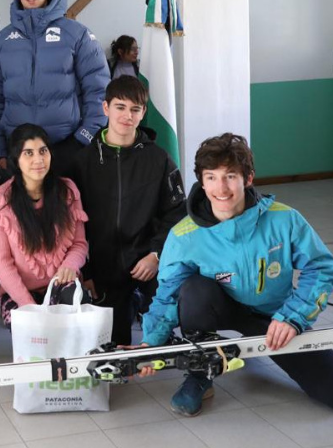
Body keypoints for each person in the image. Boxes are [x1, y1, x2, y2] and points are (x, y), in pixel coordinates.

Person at [138, 133, 333, 416]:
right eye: (211, 177)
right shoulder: (183, 235)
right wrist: (150, 344)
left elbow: (320, 266)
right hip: (218, 308)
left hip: (273, 316)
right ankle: (200, 370)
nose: (221, 187)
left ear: (248, 178)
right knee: (192, 290)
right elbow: (168, 294)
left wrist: (293, 317)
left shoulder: (284, 219)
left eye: (230, 176)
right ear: (202, 182)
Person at [70, 76, 186, 345]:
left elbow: (177, 213)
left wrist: (156, 255)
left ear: (143, 112)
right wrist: (85, 272)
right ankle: (128, 307)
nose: (127, 115)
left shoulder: (159, 159)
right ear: (105, 108)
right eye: (120, 107)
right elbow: (71, 222)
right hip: (102, 270)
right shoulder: (82, 162)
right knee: (115, 350)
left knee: (163, 336)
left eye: (135, 109)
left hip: (147, 263)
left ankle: (148, 311)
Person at [0, 0, 109, 176]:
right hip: (18, 152)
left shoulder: (76, 34)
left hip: (66, 148)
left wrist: (84, 138)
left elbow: (98, 90)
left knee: (67, 210)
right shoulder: (1, 42)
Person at [0, 124, 89, 327]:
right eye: (28, 153)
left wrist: (69, 266)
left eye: (43, 151)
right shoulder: (0, 199)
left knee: (73, 316)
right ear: (16, 159)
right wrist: (30, 308)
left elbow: (79, 244)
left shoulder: (67, 190)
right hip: (19, 291)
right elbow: (2, 263)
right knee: (29, 329)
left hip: (60, 284)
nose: (38, 160)